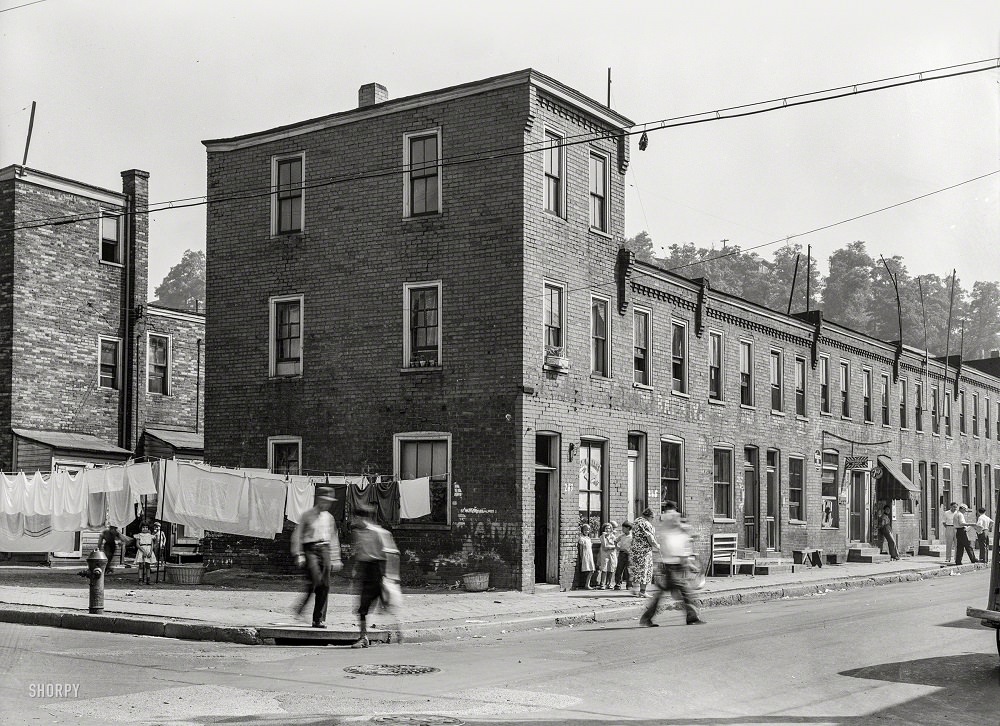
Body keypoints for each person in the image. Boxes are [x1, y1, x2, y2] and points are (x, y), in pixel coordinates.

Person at [640, 501, 705, 627]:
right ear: (674, 508)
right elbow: (680, 527)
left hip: (670, 561)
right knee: (685, 591)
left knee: (663, 593)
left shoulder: (664, 521)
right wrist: (690, 532)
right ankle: (692, 617)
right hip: (675, 562)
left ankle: (647, 618)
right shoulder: (671, 516)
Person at [290, 487, 342, 628]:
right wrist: (299, 554)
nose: (327, 504)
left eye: (329, 501)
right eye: (325, 500)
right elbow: (297, 535)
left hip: (325, 549)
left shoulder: (329, 518)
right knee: (316, 580)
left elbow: (333, 538)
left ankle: (318, 619)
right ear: (318, 499)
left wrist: (336, 557)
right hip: (310, 549)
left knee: (325, 585)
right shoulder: (307, 515)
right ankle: (301, 608)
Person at [350, 503, 399, 648]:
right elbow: (359, 552)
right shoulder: (359, 533)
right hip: (366, 570)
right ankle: (363, 637)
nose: (355, 521)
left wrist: (391, 576)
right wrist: (356, 570)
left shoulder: (380, 533)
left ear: (362, 518)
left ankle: (399, 632)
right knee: (362, 607)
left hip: (379, 569)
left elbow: (392, 554)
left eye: (356, 518)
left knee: (387, 604)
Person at [629, 508, 657, 598]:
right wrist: (657, 545)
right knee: (645, 570)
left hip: (635, 549)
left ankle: (635, 589)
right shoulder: (646, 523)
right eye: (652, 517)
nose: (652, 519)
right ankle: (642, 591)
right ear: (649, 516)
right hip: (644, 551)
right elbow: (650, 539)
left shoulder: (636, 521)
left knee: (636, 569)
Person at [596, 522, 618, 590]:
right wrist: (611, 546)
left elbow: (616, 546)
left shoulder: (613, 536)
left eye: (609, 528)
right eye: (606, 528)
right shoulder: (602, 537)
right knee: (604, 568)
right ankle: (602, 584)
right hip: (605, 554)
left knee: (611, 568)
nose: (607, 530)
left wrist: (611, 546)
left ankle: (609, 583)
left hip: (612, 554)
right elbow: (604, 546)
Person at [613, 522, 632, 590]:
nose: (622, 529)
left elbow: (634, 546)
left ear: (628, 528)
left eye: (624, 528)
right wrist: (617, 547)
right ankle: (618, 584)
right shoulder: (622, 536)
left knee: (628, 570)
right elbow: (615, 541)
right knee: (619, 569)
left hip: (629, 554)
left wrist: (629, 551)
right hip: (621, 554)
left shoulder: (632, 537)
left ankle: (629, 585)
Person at [577, 523, 595, 590]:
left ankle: (587, 584)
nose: (586, 531)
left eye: (588, 530)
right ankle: (586, 584)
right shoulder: (582, 539)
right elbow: (581, 549)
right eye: (585, 530)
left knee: (591, 570)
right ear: (582, 530)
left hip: (590, 555)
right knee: (588, 570)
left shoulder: (588, 538)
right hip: (585, 555)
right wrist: (581, 557)